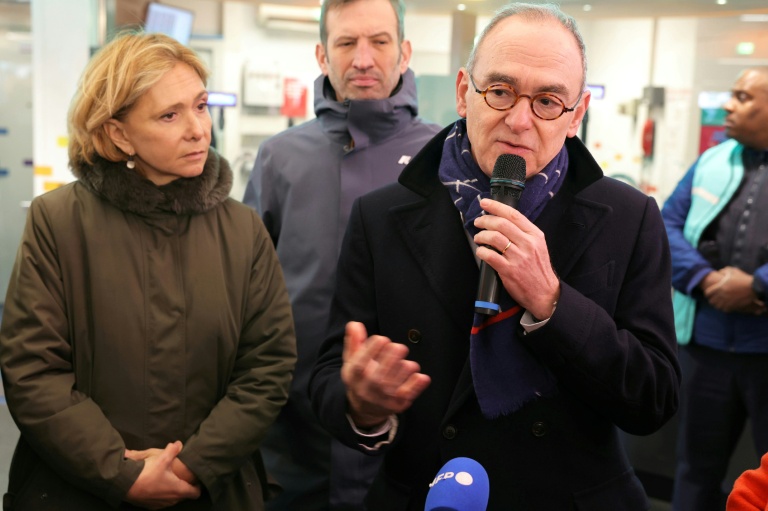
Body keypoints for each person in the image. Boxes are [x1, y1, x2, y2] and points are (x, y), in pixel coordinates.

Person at [309, 3, 680, 510]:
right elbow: (329, 378)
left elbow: (654, 398)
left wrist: (553, 304)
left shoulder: (627, 216)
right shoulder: (382, 215)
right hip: (424, 491)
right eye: (500, 91)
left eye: (548, 101)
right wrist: (362, 405)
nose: (520, 121)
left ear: (577, 114)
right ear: (465, 92)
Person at [0, 31, 297, 511]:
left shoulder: (242, 230)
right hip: (79, 492)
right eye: (169, 115)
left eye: (200, 106)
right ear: (118, 133)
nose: (199, 129)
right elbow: (33, 371)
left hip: (212, 491)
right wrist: (122, 473)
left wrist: (190, 466)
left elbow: (268, 366)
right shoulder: (57, 222)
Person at [242, 0, 440, 509]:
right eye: (346, 43)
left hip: (413, 433)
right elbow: (244, 291)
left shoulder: (442, 155)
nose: (364, 59)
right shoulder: (280, 158)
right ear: (321, 55)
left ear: (405, 51)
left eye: (380, 41)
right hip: (291, 432)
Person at [664, 66, 768, 511]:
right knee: (694, 470)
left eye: (743, 97)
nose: (728, 104)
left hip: (764, 353)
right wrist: (706, 280)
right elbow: (665, 225)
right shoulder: (712, 160)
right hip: (704, 350)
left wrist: (759, 286)